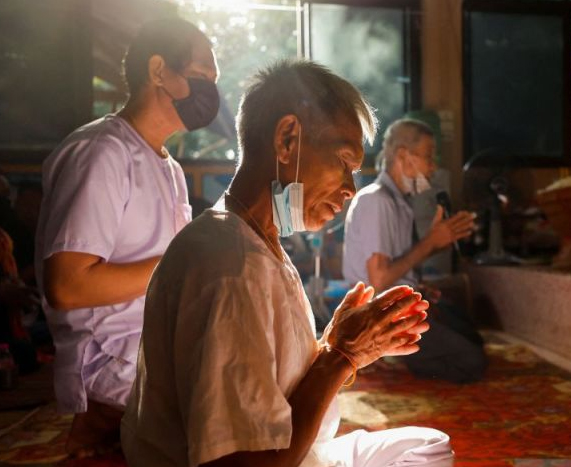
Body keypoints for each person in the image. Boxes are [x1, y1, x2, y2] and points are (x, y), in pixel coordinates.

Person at [121, 60, 453, 467]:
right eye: (343, 163)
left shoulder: (252, 237)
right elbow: (242, 463)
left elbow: (274, 377)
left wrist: (332, 343)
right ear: (287, 139)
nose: (350, 188)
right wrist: (340, 357)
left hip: (298, 450)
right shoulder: (233, 266)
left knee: (428, 444)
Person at [35, 18, 220, 454]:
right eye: (201, 77)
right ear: (158, 71)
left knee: (275, 387)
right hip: (109, 357)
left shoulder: (170, 169)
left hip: (156, 346)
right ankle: (99, 425)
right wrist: (182, 264)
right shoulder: (101, 151)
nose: (211, 92)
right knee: (234, 428)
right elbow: (67, 286)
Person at [342, 118, 487, 383]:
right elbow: (379, 280)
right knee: (472, 362)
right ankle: (388, 353)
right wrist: (430, 242)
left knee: (471, 332)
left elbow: (400, 265)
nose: (433, 167)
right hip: (383, 315)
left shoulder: (400, 204)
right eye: (428, 157)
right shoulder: (377, 200)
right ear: (402, 156)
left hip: (403, 305)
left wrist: (435, 245)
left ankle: (402, 354)